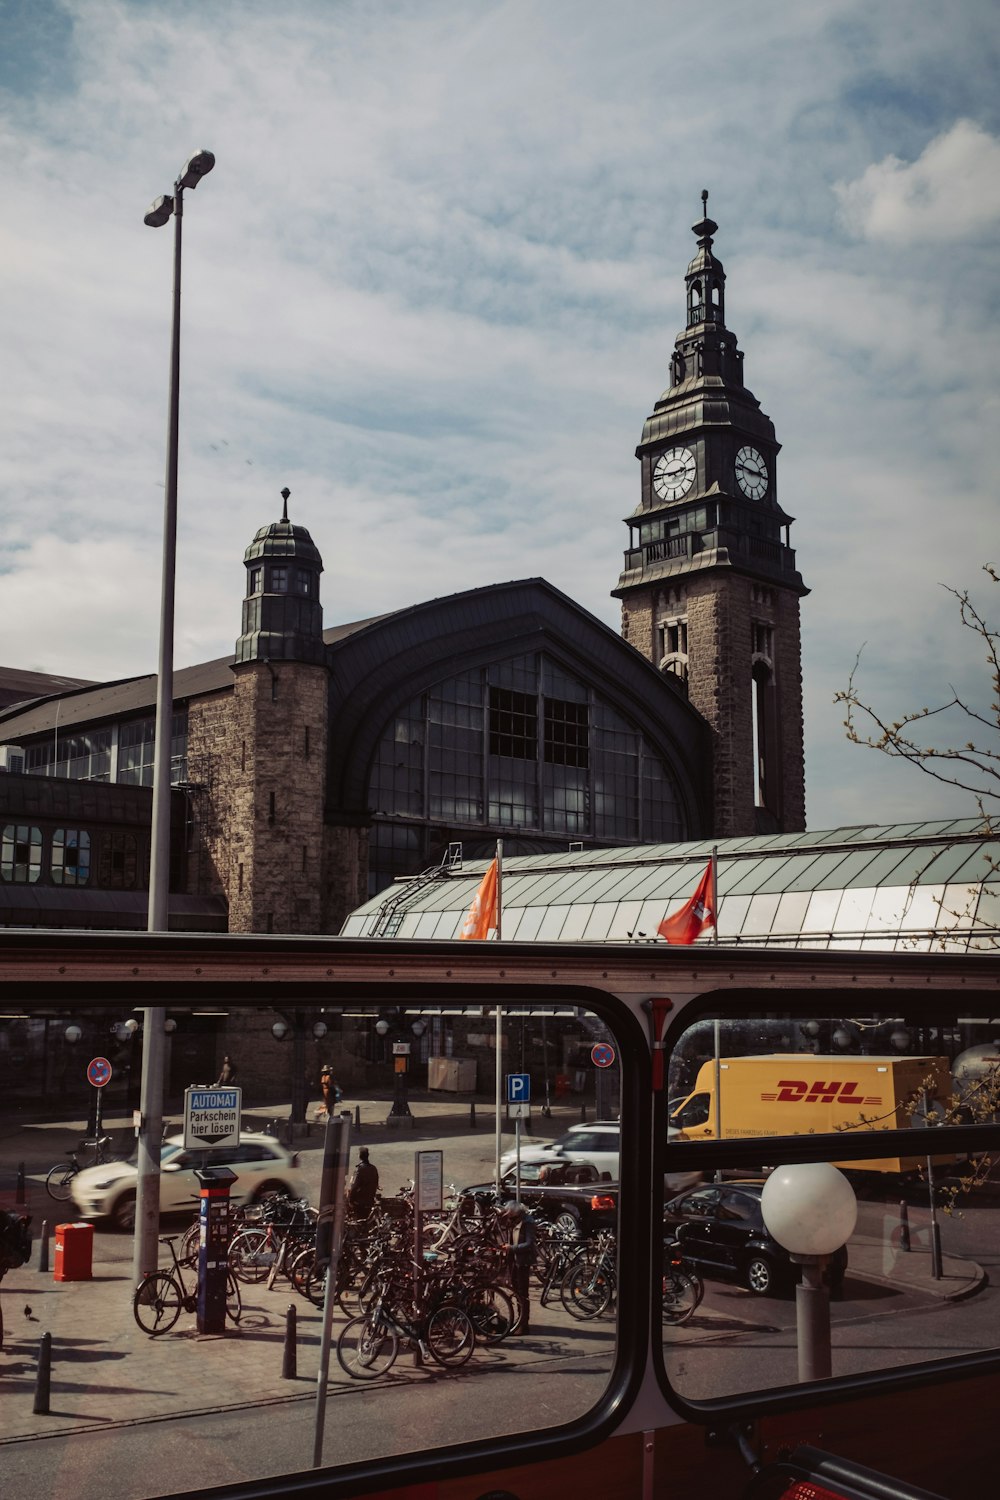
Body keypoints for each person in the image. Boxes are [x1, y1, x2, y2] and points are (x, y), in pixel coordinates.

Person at [503, 1204, 537, 1335]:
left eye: (510, 1215)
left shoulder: (527, 1223)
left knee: (522, 1293)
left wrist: (511, 1248)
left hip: (522, 1262)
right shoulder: (515, 1220)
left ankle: (524, 1324)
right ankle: (520, 1319)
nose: (509, 1218)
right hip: (514, 1260)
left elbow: (529, 1244)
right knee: (517, 1291)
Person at [347, 1147, 380, 1220]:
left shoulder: (359, 1169)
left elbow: (354, 1186)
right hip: (370, 1199)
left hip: (360, 1201)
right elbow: (376, 1183)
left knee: (358, 1219)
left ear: (359, 1156)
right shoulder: (373, 1168)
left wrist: (350, 1200)